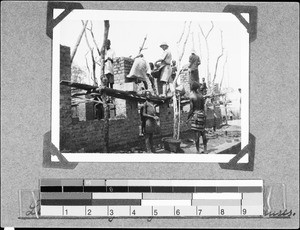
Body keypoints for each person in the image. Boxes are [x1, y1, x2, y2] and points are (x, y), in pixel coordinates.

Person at [187, 82, 208, 154]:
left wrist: (188, 117)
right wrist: (204, 115)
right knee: (203, 132)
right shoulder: (201, 96)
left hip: (196, 115)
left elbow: (191, 109)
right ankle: (205, 150)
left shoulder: (192, 96)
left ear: (192, 88)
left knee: (196, 134)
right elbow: (203, 107)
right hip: (202, 115)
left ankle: (198, 151)